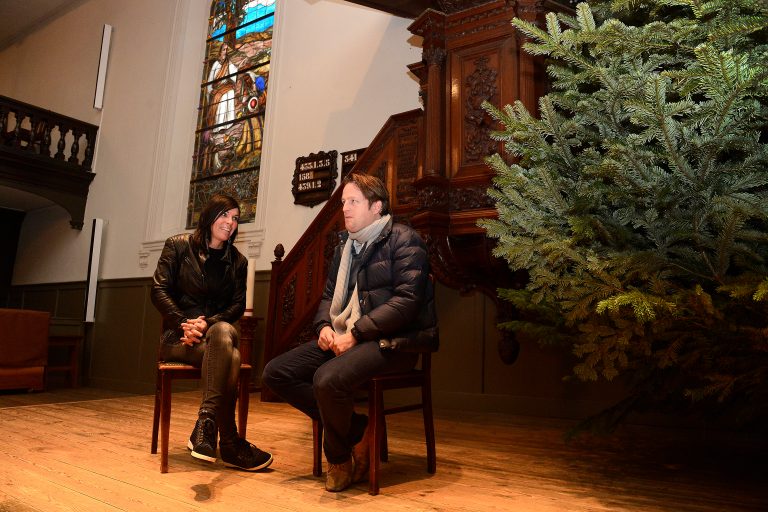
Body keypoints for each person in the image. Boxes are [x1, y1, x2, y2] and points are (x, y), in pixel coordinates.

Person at [262, 174, 438, 492]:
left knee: (326, 380)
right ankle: (357, 428)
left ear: (377, 206)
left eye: (353, 201)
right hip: (350, 335)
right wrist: (325, 327)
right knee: (276, 373)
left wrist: (356, 333)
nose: (345, 208)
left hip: (395, 343)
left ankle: (339, 457)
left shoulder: (405, 239)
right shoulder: (346, 245)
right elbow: (329, 296)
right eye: (343, 202)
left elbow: (407, 303)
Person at [151, 193, 273, 471]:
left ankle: (205, 425)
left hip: (212, 337)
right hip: (177, 339)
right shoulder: (178, 246)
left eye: (235, 219)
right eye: (224, 215)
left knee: (223, 332)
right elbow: (158, 290)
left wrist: (206, 324)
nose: (230, 223)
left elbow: (236, 306)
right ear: (209, 216)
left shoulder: (237, 262)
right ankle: (229, 443)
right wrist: (184, 323)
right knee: (229, 357)